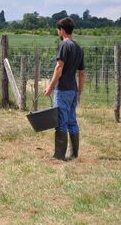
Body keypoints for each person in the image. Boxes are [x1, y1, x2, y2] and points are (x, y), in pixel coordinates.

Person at [44, 17, 85, 161]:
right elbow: (81, 73)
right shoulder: (79, 48)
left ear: (62, 30)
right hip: (73, 90)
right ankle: (74, 154)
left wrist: (50, 85)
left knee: (60, 121)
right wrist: (79, 91)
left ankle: (59, 155)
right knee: (72, 121)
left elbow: (59, 67)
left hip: (62, 90)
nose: (58, 32)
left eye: (58, 30)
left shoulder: (64, 45)